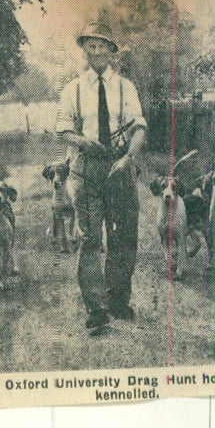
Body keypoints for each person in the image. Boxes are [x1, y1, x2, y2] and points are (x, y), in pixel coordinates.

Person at [56, 23, 146, 334]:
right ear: (84, 50)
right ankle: (96, 311)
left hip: (119, 168)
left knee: (122, 237)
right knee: (90, 239)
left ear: (111, 51)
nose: (95, 52)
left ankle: (118, 300)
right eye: (90, 46)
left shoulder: (126, 88)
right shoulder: (73, 89)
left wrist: (128, 158)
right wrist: (82, 142)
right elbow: (63, 129)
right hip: (86, 170)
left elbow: (139, 128)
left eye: (101, 46)